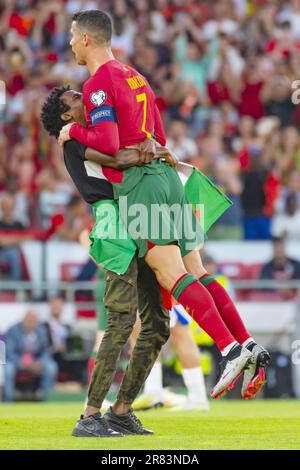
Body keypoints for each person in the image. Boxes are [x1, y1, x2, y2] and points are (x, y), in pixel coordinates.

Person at [58, 9, 270, 415]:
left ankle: (228, 350)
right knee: (198, 271)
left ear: (86, 39)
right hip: (169, 175)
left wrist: (73, 131)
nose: (69, 43)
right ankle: (245, 342)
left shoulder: (98, 83)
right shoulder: (135, 75)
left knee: (172, 276)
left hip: (143, 184)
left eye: (72, 35)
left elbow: (107, 139)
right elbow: (159, 133)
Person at [41, 89, 173, 436]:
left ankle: (121, 410)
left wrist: (151, 150)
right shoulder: (72, 141)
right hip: (114, 227)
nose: (85, 99)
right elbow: (117, 159)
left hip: (134, 217)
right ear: (67, 116)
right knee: (121, 321)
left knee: (158, 324)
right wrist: (152, 150)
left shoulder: (87, 133)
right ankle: (88, 416)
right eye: (75, 99)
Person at [4, 310, 58, 402]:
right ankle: (8, 400)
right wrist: (22, 363)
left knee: (51, 367)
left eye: (34, 320)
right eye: (29, 320)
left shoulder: (41, 331)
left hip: (36, 362)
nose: (31, 323)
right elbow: (9, 352)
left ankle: (48, 400)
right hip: (17, 362)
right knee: (8, 369)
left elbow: (46, 350)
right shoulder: (13, 330)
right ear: (23, 319)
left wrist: (40, 363)